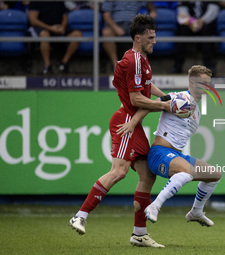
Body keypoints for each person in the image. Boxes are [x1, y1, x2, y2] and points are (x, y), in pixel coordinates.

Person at [68, 14, 170, 248]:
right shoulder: (134, 60)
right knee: (119, 171)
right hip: (126, 120)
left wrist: (164, 96)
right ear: (138, 38)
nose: (155, 41)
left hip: (133, 119)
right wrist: (165, 105)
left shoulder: (141, 59)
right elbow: (137, 99)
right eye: (150, 37)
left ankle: (139, 234)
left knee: (147, 175)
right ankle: (80, 216)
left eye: (155, 37)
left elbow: (145, 89)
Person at [117, 65, 221, 227]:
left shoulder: (196, 109)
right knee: (186, 172)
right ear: (192, 83)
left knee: (214, 174)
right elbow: (151, 104)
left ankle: (196, 212)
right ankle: (155, 206)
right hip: (159, 153)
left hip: (177, 156)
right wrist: (133, 123)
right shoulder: (177, 98)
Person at [28, 1, 82, 74]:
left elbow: (65, 17)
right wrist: (50, 28)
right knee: (44, 35)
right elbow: (33, 20)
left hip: (57, 27)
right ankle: (47, 66)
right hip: (41, 27)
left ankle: (64, 63)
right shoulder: (35, 2)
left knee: (77, 34)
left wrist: (63, 27)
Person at [101, 1, 157, 70]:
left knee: (146, 32)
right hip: (115, 24)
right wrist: (116, 28)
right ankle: (116, 65)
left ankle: (140, 65)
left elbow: (149, 3)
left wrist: (153, 11)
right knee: (106, 33)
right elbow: (106, 15)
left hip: (133, 24)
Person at [172, 1, 220, 75]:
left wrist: (202, 20)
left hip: (205, 23)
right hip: (189, 23)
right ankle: (177, 66)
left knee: (207, 32)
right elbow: (182, 10)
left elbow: (213, 9)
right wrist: (191, 22)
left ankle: (209, 67)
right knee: (182, 31)